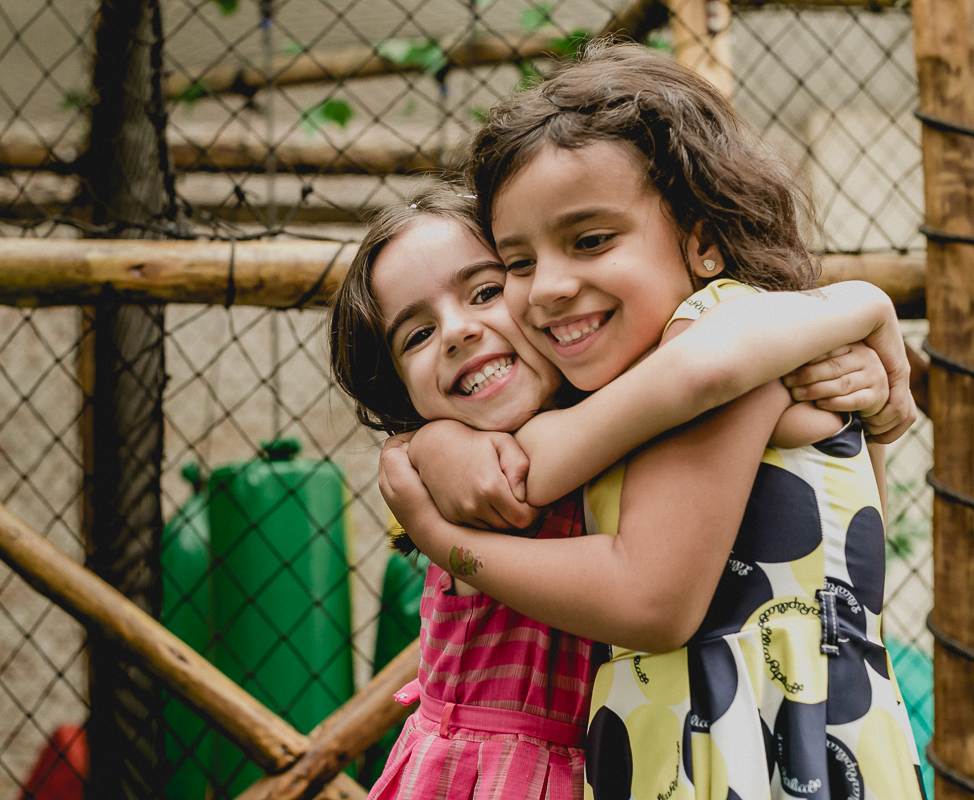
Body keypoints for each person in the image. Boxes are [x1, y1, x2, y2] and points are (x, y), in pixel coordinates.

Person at [380, 43, 925, 800]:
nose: (548, 289)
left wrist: (861, 302)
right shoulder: (640, 384)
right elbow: (531, 464)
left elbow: (651, 598)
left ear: (703, 240)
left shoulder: (725, 333)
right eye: (520, 261)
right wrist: (431, 443)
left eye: (591, 240)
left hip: (754, 743)